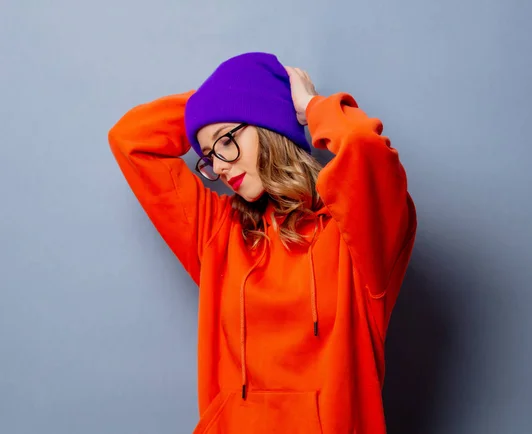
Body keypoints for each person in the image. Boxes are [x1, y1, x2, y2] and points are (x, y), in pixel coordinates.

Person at [108, 52, 417, 434]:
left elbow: (362, 145)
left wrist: (307, 105)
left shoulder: (354, 233)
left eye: (224, 142)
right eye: (207, 155)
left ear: (266, 123)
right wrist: (214, 100)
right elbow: (130, 139)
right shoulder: (217, 232)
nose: (218, 166)